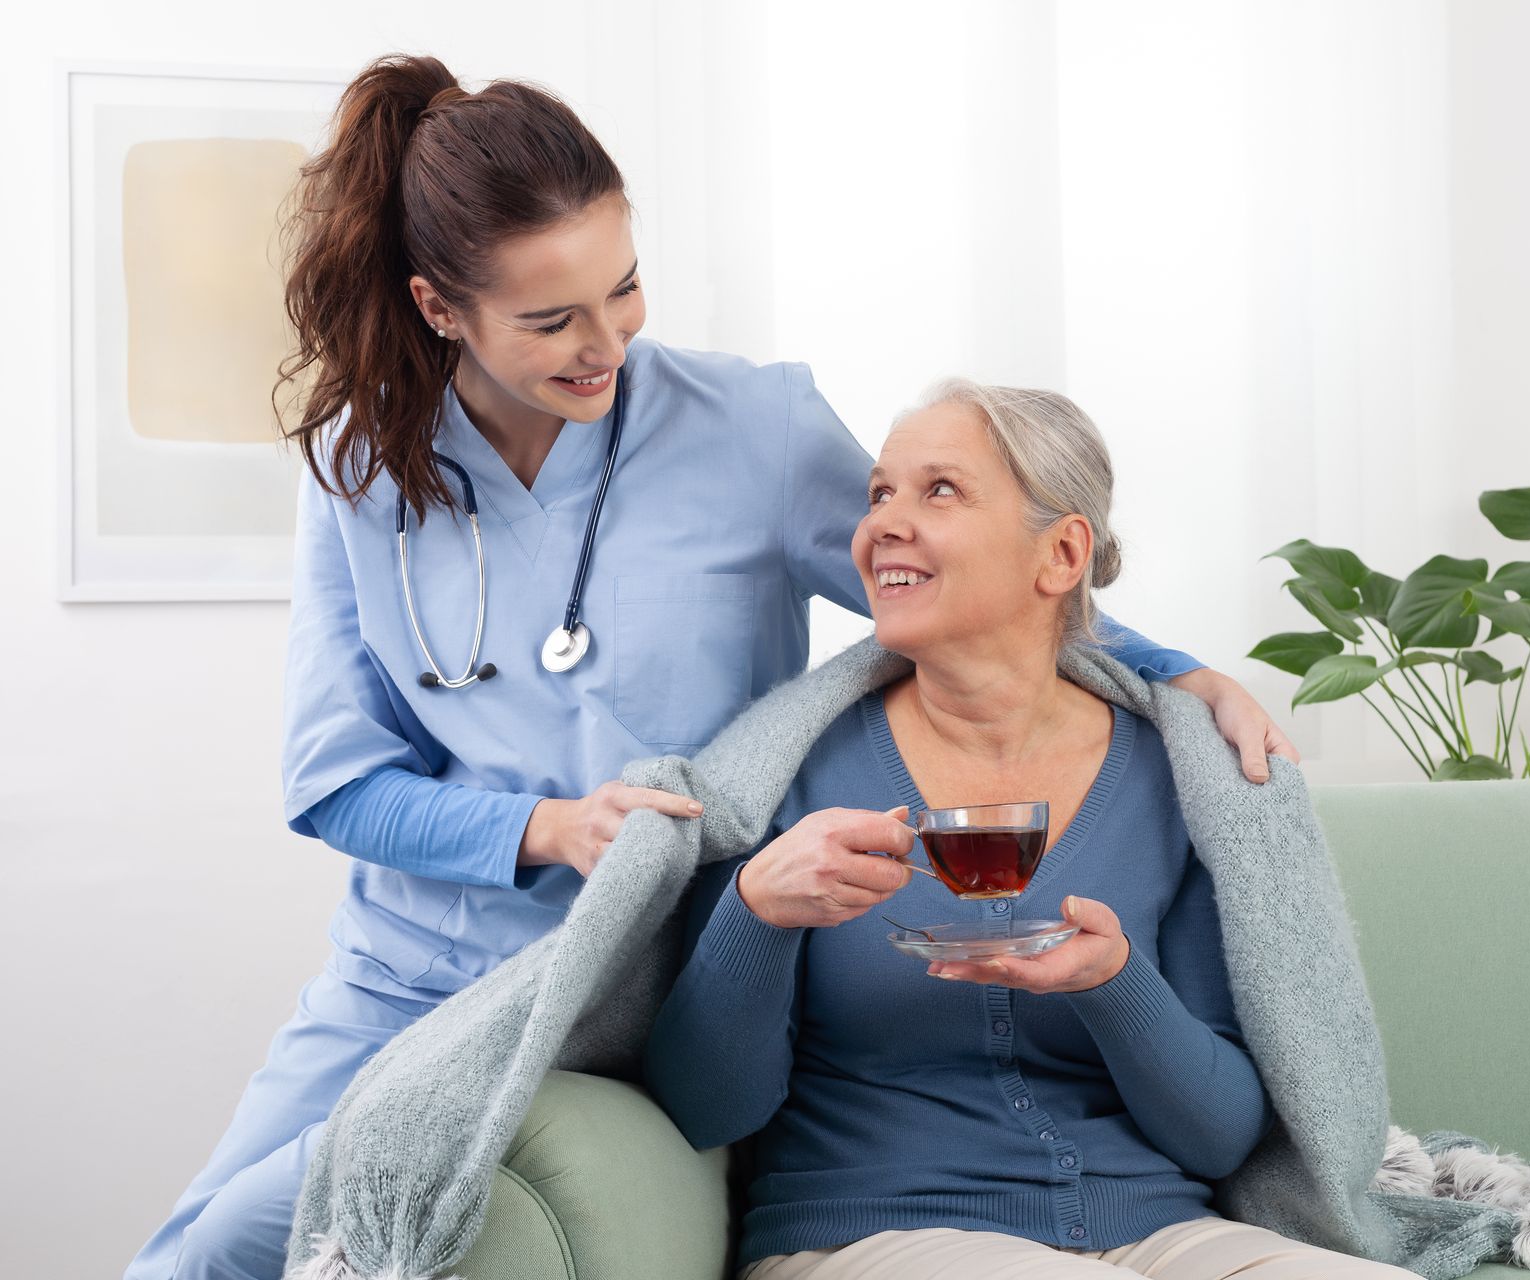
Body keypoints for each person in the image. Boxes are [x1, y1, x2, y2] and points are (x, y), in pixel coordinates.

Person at [124, 55, 1294, 1280]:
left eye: (624, 290)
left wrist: (1175, 672)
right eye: (551, 319)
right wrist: (554, 827)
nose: (606, 343)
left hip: (620, 976)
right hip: (409, 968)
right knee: (189, 1255)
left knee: (282, 1231)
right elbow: (336, 782)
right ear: (438, 307)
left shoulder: (754, 428)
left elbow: (976, 583)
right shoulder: (362, 471)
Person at [640, 380, 1416, 1279]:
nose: (884, 521)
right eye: (879, 492)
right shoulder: (787, 774)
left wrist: (1115, 982)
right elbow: (707, 1110)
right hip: (872, 1230)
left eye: (939, 490)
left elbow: (1217, 1137)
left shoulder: (1181, 780)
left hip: (1159, 1231)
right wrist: (756, 909)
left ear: (1060, 554)